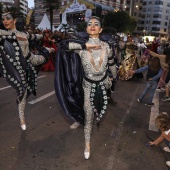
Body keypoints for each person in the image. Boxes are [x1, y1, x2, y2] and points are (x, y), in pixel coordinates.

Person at [55, 16, 117, 159]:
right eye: (90, 24)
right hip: (87, 84)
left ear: (100, 29)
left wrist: (114, 77)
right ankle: (87, 144)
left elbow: (112, 63)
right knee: (89, 116)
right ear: (87, 29)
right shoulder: (81, 47)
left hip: (103, 82)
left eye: (96, 24)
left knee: (99, 110)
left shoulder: (107, 46)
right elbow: (63, 47)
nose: (93, 25)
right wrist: (85, 46)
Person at [0, 9, 54, 130]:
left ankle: (48, 50)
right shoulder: (3, 34)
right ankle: (22, 117)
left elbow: (34, 36)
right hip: (18, 66)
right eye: (3, 19)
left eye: (8, 18)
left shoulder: (24, 34)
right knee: (22, 91)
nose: (5, 21)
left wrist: (43, 36)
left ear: (14, 20)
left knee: (44, 58)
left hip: (31, 59)